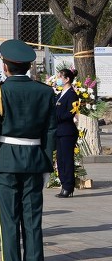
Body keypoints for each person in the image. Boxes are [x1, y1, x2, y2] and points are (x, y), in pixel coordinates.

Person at [0, 40, 57, 261]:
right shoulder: (45, 92)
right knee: (33, 225)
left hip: (5, 162)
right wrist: (47, 164)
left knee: (10, 225)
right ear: (28, 65)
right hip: (35, 161)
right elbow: (50, 132)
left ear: (5, 66)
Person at [53, 68, 80, 198]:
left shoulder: (72, 94)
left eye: (60, 77)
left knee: (67, 160)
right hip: (58, 131)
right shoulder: (59, 94)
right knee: (60, 160)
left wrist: (56, 118)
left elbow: (70, 112)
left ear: (67, 79)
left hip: (67, 132)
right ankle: (64, 184)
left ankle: (68, 187)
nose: (58, 79)